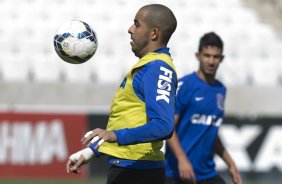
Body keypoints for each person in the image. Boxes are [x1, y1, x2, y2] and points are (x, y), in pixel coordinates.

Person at [66, 4, 178, 184]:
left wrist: (115, 135)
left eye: (137, 24)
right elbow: (131, 119)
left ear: (154, 33)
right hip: (129, 169)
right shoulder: (148, 65)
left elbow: (163, 126)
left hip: (138, 173)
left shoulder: (158, 67)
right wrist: (91, 151)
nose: (130, 29)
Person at [165, 32, 242, 184]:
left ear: (222, 59)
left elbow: (211, 132)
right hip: (177, 173)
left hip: (207, 174)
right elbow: (168, 128)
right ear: (198, 56)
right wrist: (182, 159)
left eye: (215, 57)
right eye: (207, 55)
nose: (211, 61)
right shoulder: (184, 86)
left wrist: (231, 164)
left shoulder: (221, 90)